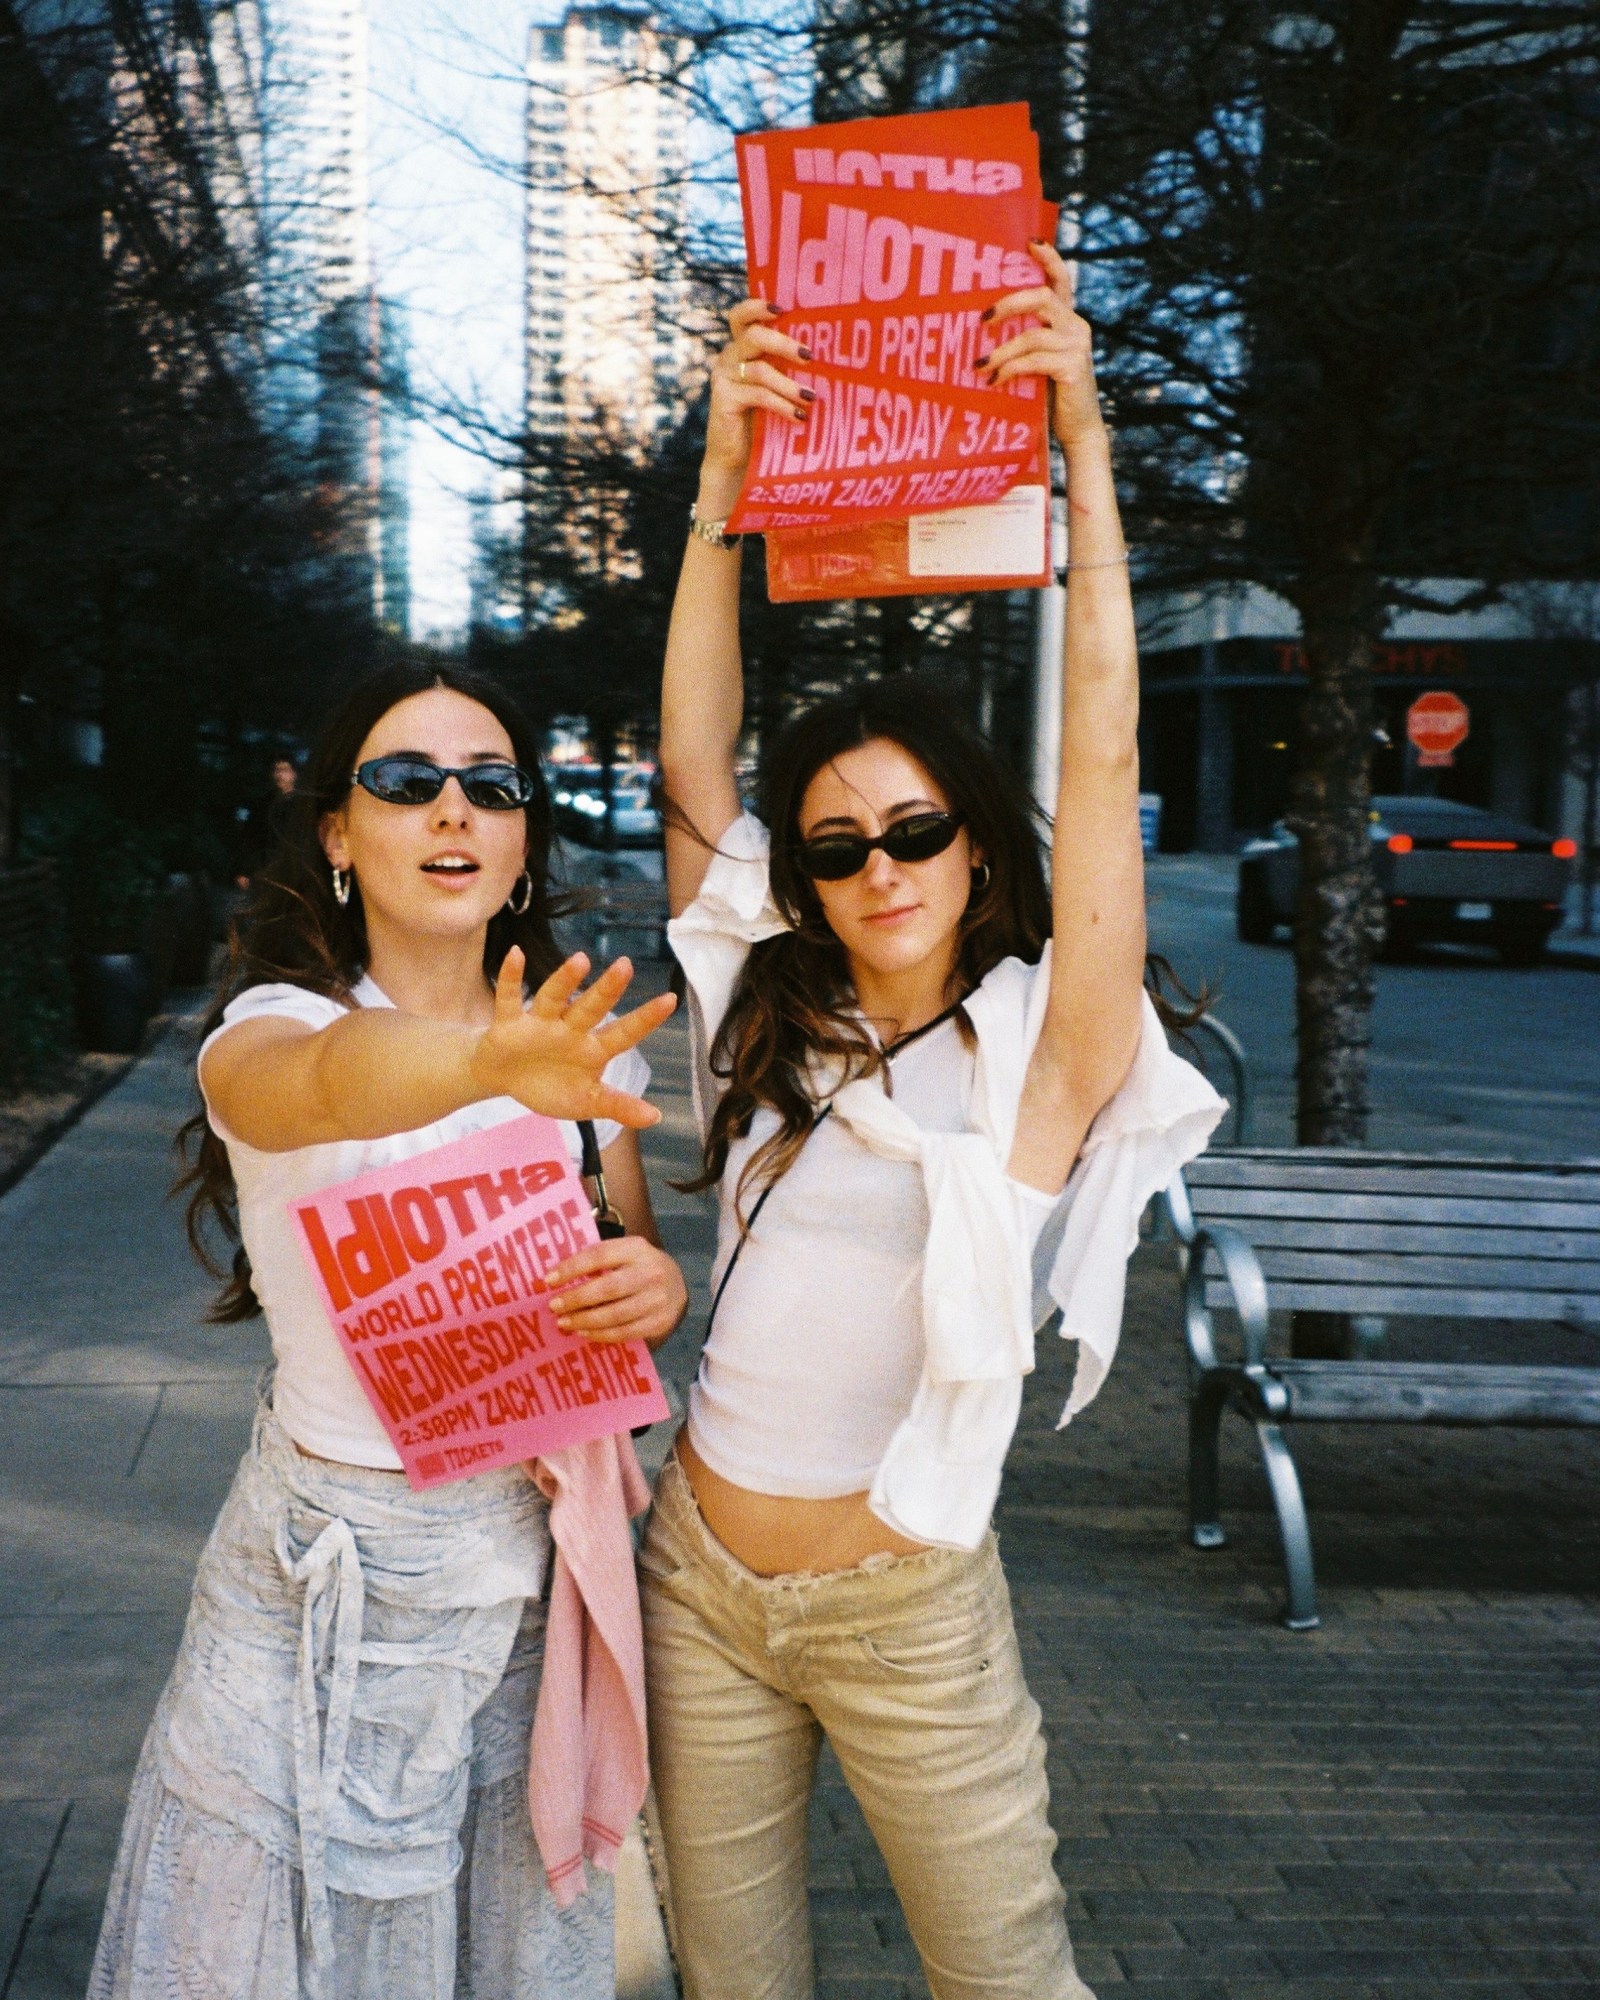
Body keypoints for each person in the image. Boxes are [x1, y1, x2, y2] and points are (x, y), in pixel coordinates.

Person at [642, 249, 1226, 2000]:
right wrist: (720, 496)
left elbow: (1105, 753)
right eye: (833, 846)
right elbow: (692, 764)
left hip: (906, 1613)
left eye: (912, 831)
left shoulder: (1048, 1050)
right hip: (699, 1584)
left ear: (976, 844)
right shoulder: (760, 1015)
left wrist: (1084, 447)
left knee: (1009, 1982)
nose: (876, 867)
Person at [89, 662, 687, 2000]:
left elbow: (626, 1267)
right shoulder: (270, 1028)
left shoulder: (585, 1057)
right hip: (319, 1591)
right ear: (339, 835)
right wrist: (478, 1064)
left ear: (527, 833)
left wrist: (655, 1290)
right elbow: (323, 1086)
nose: (453, 811)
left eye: (491, 784)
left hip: (526, 1597)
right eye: (406, 783)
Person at [235, 753, 300, 888]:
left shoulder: (303, 805)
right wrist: (245, 870)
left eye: (285, 770)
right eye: (277, 770)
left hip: (294, 868)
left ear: (294, 774)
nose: (280, 774)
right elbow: (253, 837)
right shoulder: (265, 804)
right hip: (267, 868)